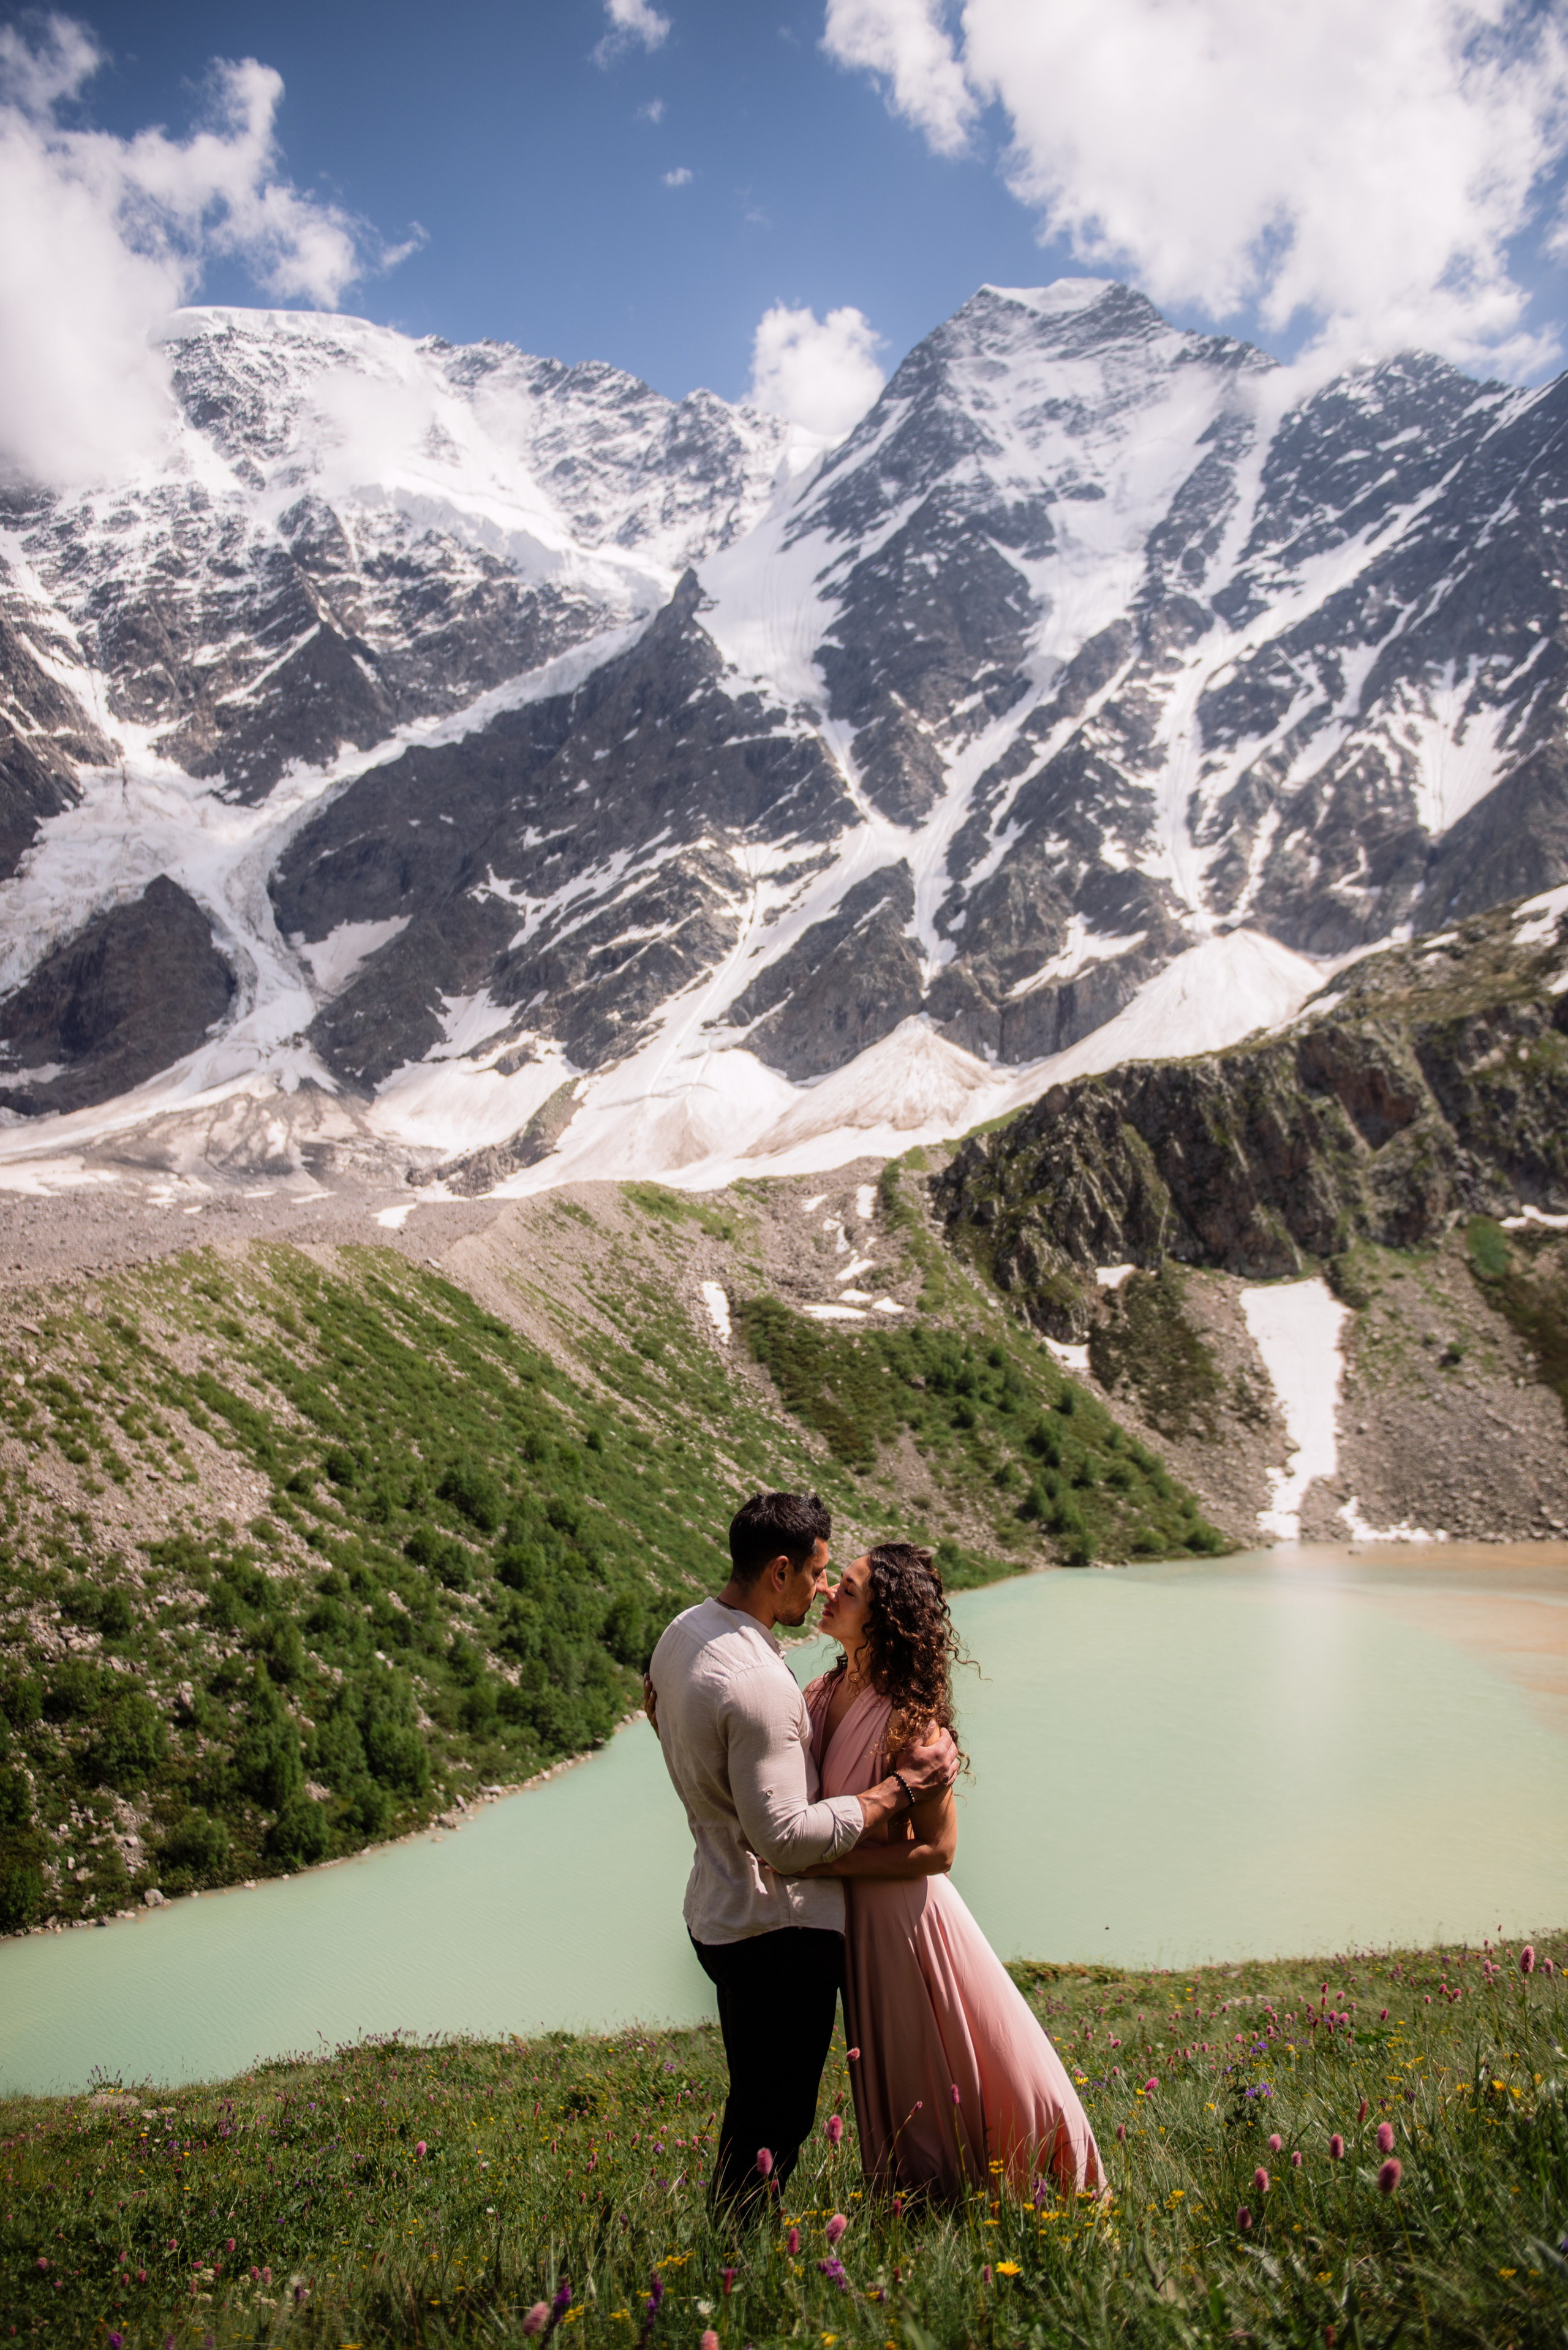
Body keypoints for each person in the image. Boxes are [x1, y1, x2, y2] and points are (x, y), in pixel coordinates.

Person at [645, 1492, 959, 2211]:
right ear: (780, 1570)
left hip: (716, 1910)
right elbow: (784, 1841)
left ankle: (728, 2242)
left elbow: (663, 1705)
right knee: (775, 2116)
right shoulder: (762, 1682)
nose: (823, 1589)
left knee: (753, 2099)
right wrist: (896, 1790)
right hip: (776, 1930)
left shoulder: (684, 1633)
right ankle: (736, 2258)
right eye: (821, 1573)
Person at [801, 1541, 1103, 2203]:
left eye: (847, 1588)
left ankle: (1019, 2182)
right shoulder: (823, 1691)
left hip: (907, 1919)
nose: (829, 1593)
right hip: (855, 1920)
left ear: (883, 1618)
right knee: (899, 2068)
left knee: (948, 2058)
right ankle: (923, 2196)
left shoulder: (914, 1722)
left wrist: (829, 1857)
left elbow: (939, 1851)